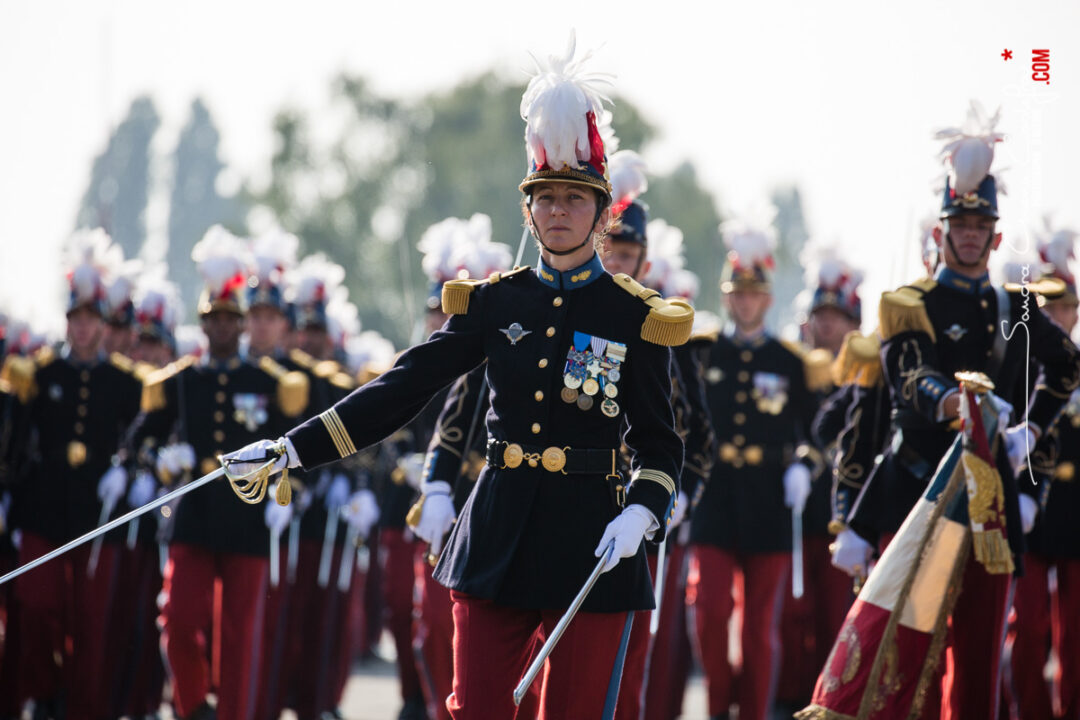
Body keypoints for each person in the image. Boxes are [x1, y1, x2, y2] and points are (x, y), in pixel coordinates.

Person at [225, 36, 689, 719]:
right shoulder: (493, 302)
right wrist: (293, 449)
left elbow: (659, 441)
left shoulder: (634, 315)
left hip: (592, 538)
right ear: (528, 208)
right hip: (497, 534)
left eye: (574, 197)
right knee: (473, 710)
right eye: (545, 197)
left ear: (601, 210)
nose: (558, 210)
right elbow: (403, 388)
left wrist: (644, 511)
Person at [827, 102, 1080, 718]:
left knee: (977, 663)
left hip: (991, 502)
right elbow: (908, 374)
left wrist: (1027, 431)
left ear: (995, 237)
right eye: (958, 225)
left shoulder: (1015, 306)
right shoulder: (908, 302)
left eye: (980, 227)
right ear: (941, 233)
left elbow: (1068, 365)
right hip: (918, 493)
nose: (969, 235)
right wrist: (956, 403)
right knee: (907, 657)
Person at [127, 225, 309, 720]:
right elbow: (140, 438)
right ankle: (193, 706)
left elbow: (295, 448)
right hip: (193, 513)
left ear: (243, 325)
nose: (223, 328)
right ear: (203, 324)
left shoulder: (270, 384)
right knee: (180, 620)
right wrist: (157, 461)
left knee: (240, 637)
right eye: (214, 319)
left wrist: (284, 496)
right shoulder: (184, 380)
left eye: (232, 319)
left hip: (248, 516)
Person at [2, 229, 143, 719]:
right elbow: (17, 444)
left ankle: (84, 708)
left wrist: (128, 472)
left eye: (90, 319)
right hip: (43, 503)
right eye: (75, 319)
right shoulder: (39, 374)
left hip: (97, 509)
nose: (82, 329)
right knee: (36, 604)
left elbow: (139, 438)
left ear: (103, 324)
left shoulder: (126, 382)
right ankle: (45, 693)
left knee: (90, 617)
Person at [690, 213, 817, 720]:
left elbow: (812, 434)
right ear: (727, 297)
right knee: (711, 612)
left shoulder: (791, 362)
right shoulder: (701, 352)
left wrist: (803, 466)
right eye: (737, 293)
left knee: (761, 623)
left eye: (754, 293)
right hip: (715, 497)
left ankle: (757, 712)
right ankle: (718, 708)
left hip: (768, 499)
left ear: (767, 298)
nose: (745, 301)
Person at [1002, 222, 1080, 719]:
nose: (1057, 315)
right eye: (1047, 306)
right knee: (1027, 626)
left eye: (1066, 306)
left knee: (1076, 632)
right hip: (1032, 507)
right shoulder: (1024, 367)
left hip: (1077, 517)